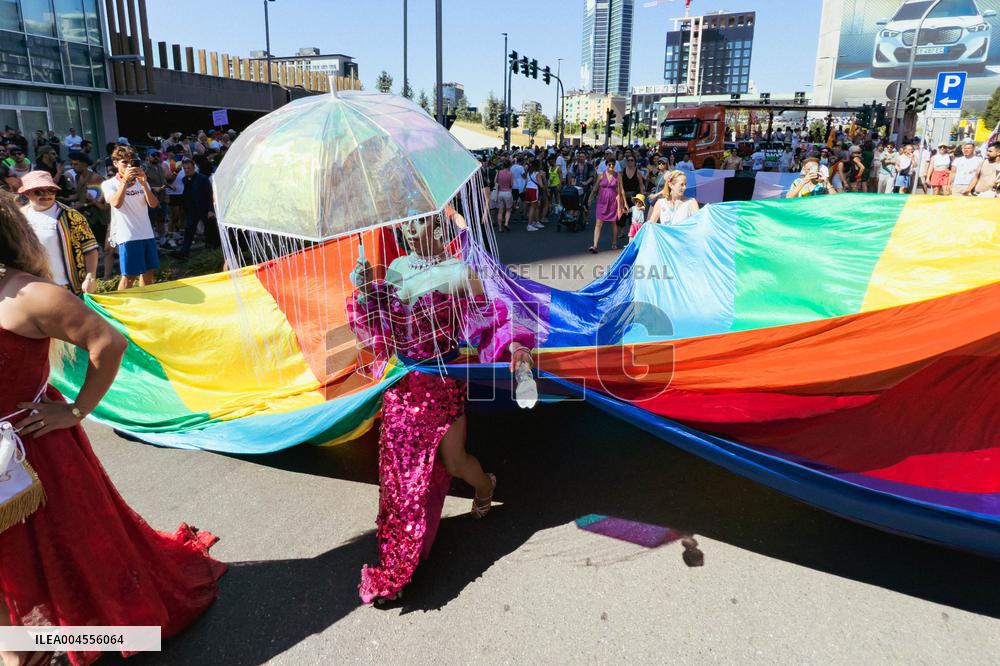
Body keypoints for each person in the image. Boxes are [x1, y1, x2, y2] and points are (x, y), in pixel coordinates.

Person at [0, 198, 225, 666]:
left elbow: (109, 341)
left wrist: (77, 411)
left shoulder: (31, 295)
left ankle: (56, 642)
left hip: (36, 450)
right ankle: (22, 642)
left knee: (70, 547)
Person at [348, 205, 534, 604]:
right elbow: (381, 328)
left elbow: (492, 326)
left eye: (418, 223)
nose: (410, 232)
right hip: (402, 386)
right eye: (406, 225)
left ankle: (485, 487)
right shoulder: (397, 266)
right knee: (399, 479)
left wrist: (519, 359)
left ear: (437, 223)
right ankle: (397, 563)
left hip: (441, 387)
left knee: (455, 463)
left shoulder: (459, 273)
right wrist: (368, 292)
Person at [17, 171, 99, 295]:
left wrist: (90, 277)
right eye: (39, 191)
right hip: (33, 289)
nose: (46, 195)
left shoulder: (71, 216)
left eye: (51, 190)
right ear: (27, 193)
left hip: (67, 289)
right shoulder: (19, 217)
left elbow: (90, 249)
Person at [100, 145, 160, 290]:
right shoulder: (109, 184)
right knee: (129, 277)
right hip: (128, 236)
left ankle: (147, 303)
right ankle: (123, 308)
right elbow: (116, 203)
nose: (128, 166)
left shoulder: (141, 181)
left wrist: (145, 184)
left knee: (148, 273)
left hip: (146, 233)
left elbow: (153, 204)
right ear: (115, 163)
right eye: (124, 162)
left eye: (131, 162)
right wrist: (125, 181)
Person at [177, 157, 217, 258]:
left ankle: (212, 250)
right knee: (189, 230)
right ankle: (184, 252)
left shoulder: (202, 179)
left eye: (188, 168)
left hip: (204, 209)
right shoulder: (184, 179)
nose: (187, 170)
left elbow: (210, 194)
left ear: (194, 168)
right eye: (185, 169)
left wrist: (211, 210)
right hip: (192, 210)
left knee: (209, 231)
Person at [587, 155, 626, 253]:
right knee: (598, 223)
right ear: (606, 166)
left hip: (613, 202)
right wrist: (590, 197)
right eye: (609, 165)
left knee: (613, 222)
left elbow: (621, 190)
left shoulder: (618, 176)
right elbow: (595, 188)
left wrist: (625, 203)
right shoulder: (601, 175)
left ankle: (614, 242)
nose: (611, 167)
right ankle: (595, 245)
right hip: (602, 202)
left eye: (613, 165)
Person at [618, 154, 644, 243]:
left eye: (632, 160)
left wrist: (642, 196)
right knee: (622, 214)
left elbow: (641, 185)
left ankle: (631, 233)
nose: (630, 162)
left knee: (633, 215)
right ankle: (621, 232)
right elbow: (620, 185)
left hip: (634, 197)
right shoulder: (622, 172)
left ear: (635, 162)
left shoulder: (638, 172)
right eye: (628, 160)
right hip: (624, 196)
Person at [494, 159, 514, 233]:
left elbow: (495, 181)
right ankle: (506, 223)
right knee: (508, 210)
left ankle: (500, 228)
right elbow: (512, 184)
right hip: (508, 192)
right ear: (509, 166)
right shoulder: (510, 174)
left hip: (500, 193)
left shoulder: (499, 172)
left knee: (500, 211)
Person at [525, 159, 543, 232]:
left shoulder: (529, 172)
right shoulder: (537, 173)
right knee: (533, 207)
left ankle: (534, 222)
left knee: (533, 207)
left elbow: (526, 182)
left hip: (528, 189)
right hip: (534, 190)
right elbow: (541, 185)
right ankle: (530, 225)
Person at [509, 156, 526, 221]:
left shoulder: (512, 167)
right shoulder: (521, 167)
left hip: (513, 186)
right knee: (524, 200)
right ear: (522, 162)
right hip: (521, 186)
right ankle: (523, 214)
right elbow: (524, 175)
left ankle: (514, 216)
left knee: (514, 200)